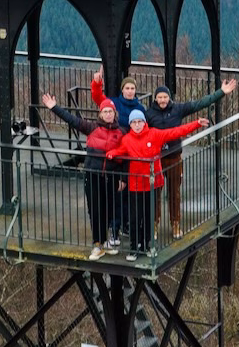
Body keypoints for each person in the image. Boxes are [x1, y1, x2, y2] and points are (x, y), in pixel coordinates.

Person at [108, 109, 209, 261]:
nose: (137, 125)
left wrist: (196, 124)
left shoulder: (154, 134)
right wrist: (112, 153)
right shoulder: (127, 139)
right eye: (134, 122)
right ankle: (135, 248)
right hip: (135, 185)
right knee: (135, 217)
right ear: (130, 124)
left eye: (140, 122)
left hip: (152, 184)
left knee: (149, 216)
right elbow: (120, 150)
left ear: (144, 122)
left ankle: (148, 245)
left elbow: (175, 132)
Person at [146, 78, 237, 238]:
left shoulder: (178, 109)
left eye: (165, 97)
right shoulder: (149, 114)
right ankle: (154, 225)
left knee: (174, 193)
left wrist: (221, 92)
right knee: (154, 194)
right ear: (155, 98)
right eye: (159, 97)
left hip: (173, 157)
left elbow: (199, 103)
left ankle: (175, 224)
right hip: (156, 159)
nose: (162, 100)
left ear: (169, 98)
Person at [41, 93, 124, 261]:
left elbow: (125, 157)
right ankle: (97, 244)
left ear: (115, 114)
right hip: (93, 176)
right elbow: (72, 120)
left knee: (108, 210)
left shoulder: (121, 132)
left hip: (111, 176)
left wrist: (123, 179)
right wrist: (54, 108)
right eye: (105, 111)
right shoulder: (91, 128)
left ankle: (104, 241)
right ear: (100, 114)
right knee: (95, 209)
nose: (108, 114)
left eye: (110, 111)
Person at [90, 67, 147, 239]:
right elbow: (98, 98)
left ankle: (125, 224)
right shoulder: (114, 103)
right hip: (117, 151)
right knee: (118, 194)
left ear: (135, 90)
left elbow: (146, 129)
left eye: (132, 88)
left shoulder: (140, 108)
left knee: (128, 193)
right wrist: (97, 83)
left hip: (131, 153)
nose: (130, 91)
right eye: (127, 88)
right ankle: (116, 225)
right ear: (122, 89)